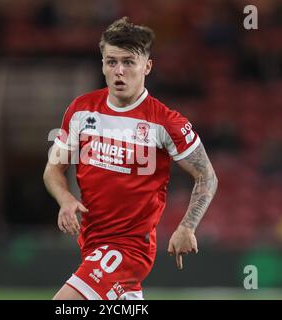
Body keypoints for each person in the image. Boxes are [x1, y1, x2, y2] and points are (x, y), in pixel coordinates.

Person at [43, 17, 218, 300]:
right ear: (102, 64)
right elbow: (53, 170)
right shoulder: (81, 110)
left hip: (129, 249)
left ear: (147, 66)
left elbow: (207, 175)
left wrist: (187, 226)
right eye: (111, 62)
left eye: (128, 62)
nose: (119, 71)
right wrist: (65, 199)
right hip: (91, 243)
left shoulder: (165, 122)